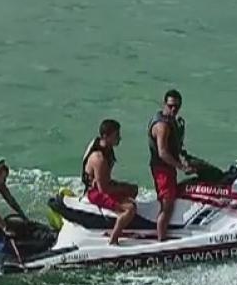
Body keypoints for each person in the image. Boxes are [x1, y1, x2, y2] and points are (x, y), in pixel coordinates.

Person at [81, 119, 138, 245]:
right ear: (106, 136)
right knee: (130, 208)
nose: (120, 138)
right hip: (95, 192)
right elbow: (104, 190)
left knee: (133, 191)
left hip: (102, 184)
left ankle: (119, 223)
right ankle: (114, 239)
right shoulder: (99, 158)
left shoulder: (103, 145)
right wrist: (124, 188)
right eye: (116, 135)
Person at [149, 89, 194, 241]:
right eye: (171, 106)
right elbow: (163, 153)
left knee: (173, 198)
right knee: (167, 206)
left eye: (177, 106)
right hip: (161, 169)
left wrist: (185, 161)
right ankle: (161, 240)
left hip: (169, 167)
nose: (173, 109)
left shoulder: (173, 122)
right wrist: (182, 167)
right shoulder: (162, 126)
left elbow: (177, 147)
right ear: (164, 104)